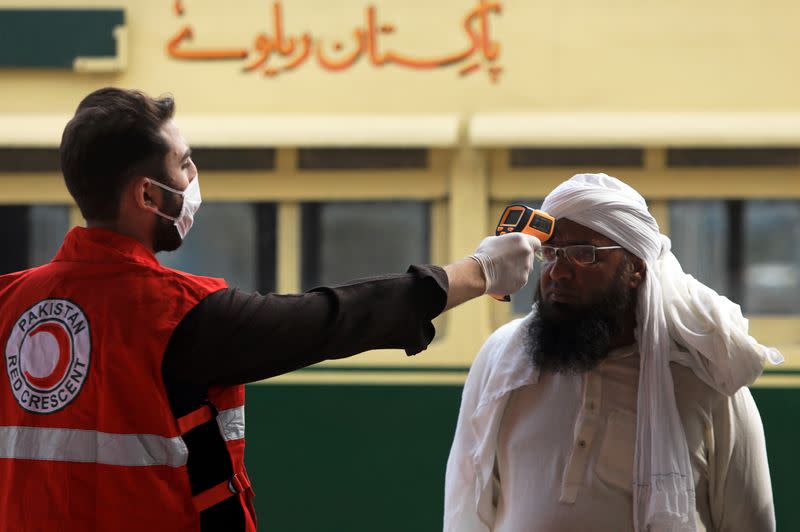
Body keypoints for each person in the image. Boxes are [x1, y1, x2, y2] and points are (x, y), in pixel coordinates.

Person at [0, 87, 540, 532]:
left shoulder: (7, 304)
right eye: (184, 165)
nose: (192, 181)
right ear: (147, 196)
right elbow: (332, 319)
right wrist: (480, 272)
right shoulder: (180, 315)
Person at [444, 173, 782, 532]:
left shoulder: (705, 375)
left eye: (583, 255)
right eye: (551, 253)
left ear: (635, 268)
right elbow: (468, 499)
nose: (558, 271)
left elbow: (751, 521)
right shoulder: (502, 359)